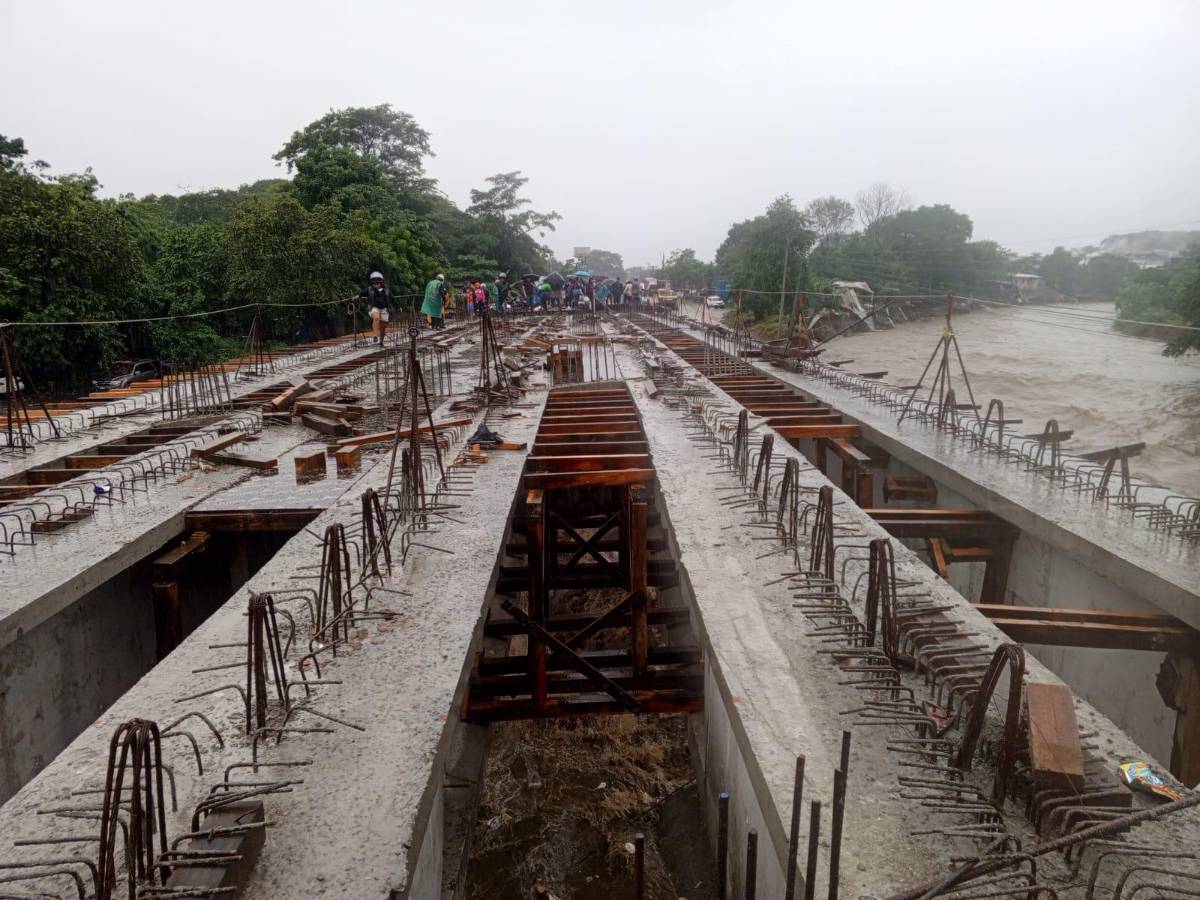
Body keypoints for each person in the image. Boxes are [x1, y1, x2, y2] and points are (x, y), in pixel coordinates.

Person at [364, 271, 392, 345]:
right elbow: (361, 294)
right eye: (374, 283)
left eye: (377, 283)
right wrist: (355, 297)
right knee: (376, 318)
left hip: (384, 309)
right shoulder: (369, 289)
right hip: (374, 308)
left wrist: (399, 306)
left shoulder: (386, 290)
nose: (376, 285)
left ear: (381, 283)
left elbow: (392, 298)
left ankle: (381, 342)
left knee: (383, 327)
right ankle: (375, 335)